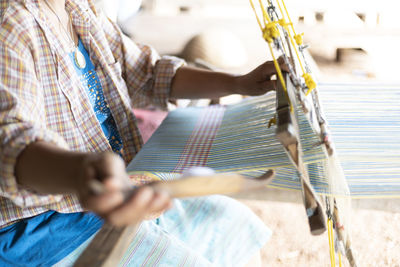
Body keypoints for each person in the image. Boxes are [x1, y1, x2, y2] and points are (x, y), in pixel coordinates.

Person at [0, 0, 285, 266]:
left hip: (114, 192)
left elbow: (147, 72)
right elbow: (11, 144)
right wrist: (83, 173)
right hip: (41, 231)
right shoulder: (11, 24)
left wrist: (239, 83)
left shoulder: (77, 11)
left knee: (232, 227)